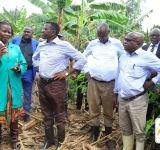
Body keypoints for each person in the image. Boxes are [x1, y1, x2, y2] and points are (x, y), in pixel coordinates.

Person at [32, 22, 87, 150]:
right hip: (43, 83)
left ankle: (61, 143)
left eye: (45, 29)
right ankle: (49, 141)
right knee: (46, 113)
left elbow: (82, 59)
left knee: (59, 113)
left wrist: (67, 73)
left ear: (53, 32)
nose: (42, 30)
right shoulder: (41, 45)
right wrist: (40, 67)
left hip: (56, 84)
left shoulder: (64, 45)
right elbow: (35, 59)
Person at [114, 32, 160, 150]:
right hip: (123, 99)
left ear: (138, 44)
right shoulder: (123, 56)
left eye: (128, 40)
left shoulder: (146, 56)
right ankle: (127, 148)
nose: (125, 41)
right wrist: (116, 93)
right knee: (125, 128)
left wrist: (151, 82)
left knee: (139, 130)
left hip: (137, 100)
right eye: (125, 39)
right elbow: (119, 76)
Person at [83, 22, 124, 149]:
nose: (101, 39)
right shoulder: (93, 44)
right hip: (94, 83)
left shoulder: (117, 44)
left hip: (110, 83)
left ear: (108, 33)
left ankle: (108, 138)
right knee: (93, 109)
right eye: (99, 37)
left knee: (108, 111)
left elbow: (125, 58)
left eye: (103, 37)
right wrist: (86, 72)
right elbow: (83, 57)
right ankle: (94, 135)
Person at [0, 21, 27, 149]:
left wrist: (19, 68)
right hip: (1, 86)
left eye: (9, 32)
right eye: (3, 31)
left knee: (14, 113)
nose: (6, 33)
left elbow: (24, 64)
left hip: (14, 86)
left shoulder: (15, 48)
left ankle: (14, 137)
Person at [12, 26, 39, 122]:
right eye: (25, 31)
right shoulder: (15, 40)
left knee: (28, 93)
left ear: (32, 33)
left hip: (28, 71)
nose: (26, 33)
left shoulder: (36, 43)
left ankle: (26, 113)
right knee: (15, 91)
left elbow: (38, 56)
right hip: (16, 70)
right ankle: (14, 111)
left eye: (29, 32)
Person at [142, 28, 160, 120]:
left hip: (157, 82)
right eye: (152, 35)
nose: (154, 37)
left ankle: (157, 128)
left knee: (157, 106)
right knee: (147, 104)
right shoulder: (144, 48)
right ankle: (147, 123)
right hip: (144, 81)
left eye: (157, 35)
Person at [76, 41, 90, 110]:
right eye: (86, 46)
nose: (87, 47)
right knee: (80, 91)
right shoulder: (81, 53)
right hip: (81, 75)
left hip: (89, 76)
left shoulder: (93, 55)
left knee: (88, 92)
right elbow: (77, 64)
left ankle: (87, 108)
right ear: (84, 47)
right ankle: (78, 107)